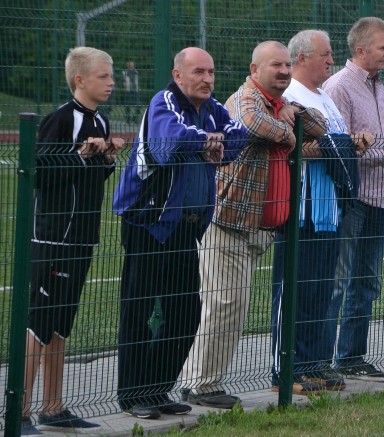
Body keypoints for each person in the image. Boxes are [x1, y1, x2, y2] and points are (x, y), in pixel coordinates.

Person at [179, 40, 317, 406]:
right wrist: (290, 133)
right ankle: (200, 385)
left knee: (232, 305)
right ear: (255, 70)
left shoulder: (281, 104)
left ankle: (201, 381)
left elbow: (315, 124)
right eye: (276, 65)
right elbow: (252, 124)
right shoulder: (247, 98)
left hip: (258, 229)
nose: (285, 71)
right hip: (227, 223)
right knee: (223, 303)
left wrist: (292, 111)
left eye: (288, 65)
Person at [112, 47, 246, 419]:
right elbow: (168, 141)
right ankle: (132, 395)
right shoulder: (164, 102)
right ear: (178, 74)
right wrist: (208, 141)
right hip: (148, 223)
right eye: (199, 72)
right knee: (138, 311)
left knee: (186, 312)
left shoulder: (212, 109)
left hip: (186, 229)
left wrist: (210, 140)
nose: (207, 79)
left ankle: (156, 390)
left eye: (212, 72)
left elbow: (239, 136)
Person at [22, 47, 122, 430]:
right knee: (38, 324)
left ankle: (54, 407)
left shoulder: (102, 121)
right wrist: (80, 155)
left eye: (111, 76)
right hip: (52, 239)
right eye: (103, 76)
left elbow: (92, 182)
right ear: (80, 80)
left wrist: (106, 159)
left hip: (83, 238)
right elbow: (40, 173)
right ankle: (20, 411)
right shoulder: (60, 120)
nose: (111, 82)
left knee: (61, 325)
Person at [270, 29, 362, 393]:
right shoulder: (290, 95)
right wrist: (331, 146)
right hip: (301, 210)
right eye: (325, 54)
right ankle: (285, 371)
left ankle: (311, 364)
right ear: (302, 58)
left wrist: (348, 143)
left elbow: (331, 142)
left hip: (329, 211)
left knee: (319, 292)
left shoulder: (324, 96)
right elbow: (293, 148)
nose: (331, 60)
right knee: (294, 290)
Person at [322, 17, 384, 382]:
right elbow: (339, 148)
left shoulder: (380, 87)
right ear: (361, 50)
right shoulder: (339, 87)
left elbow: (379, 144)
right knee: (337, 281)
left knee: (368, 282)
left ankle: (351, 357)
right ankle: (320, 362)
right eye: (383, 47)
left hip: (381, 196)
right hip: (352, 197)